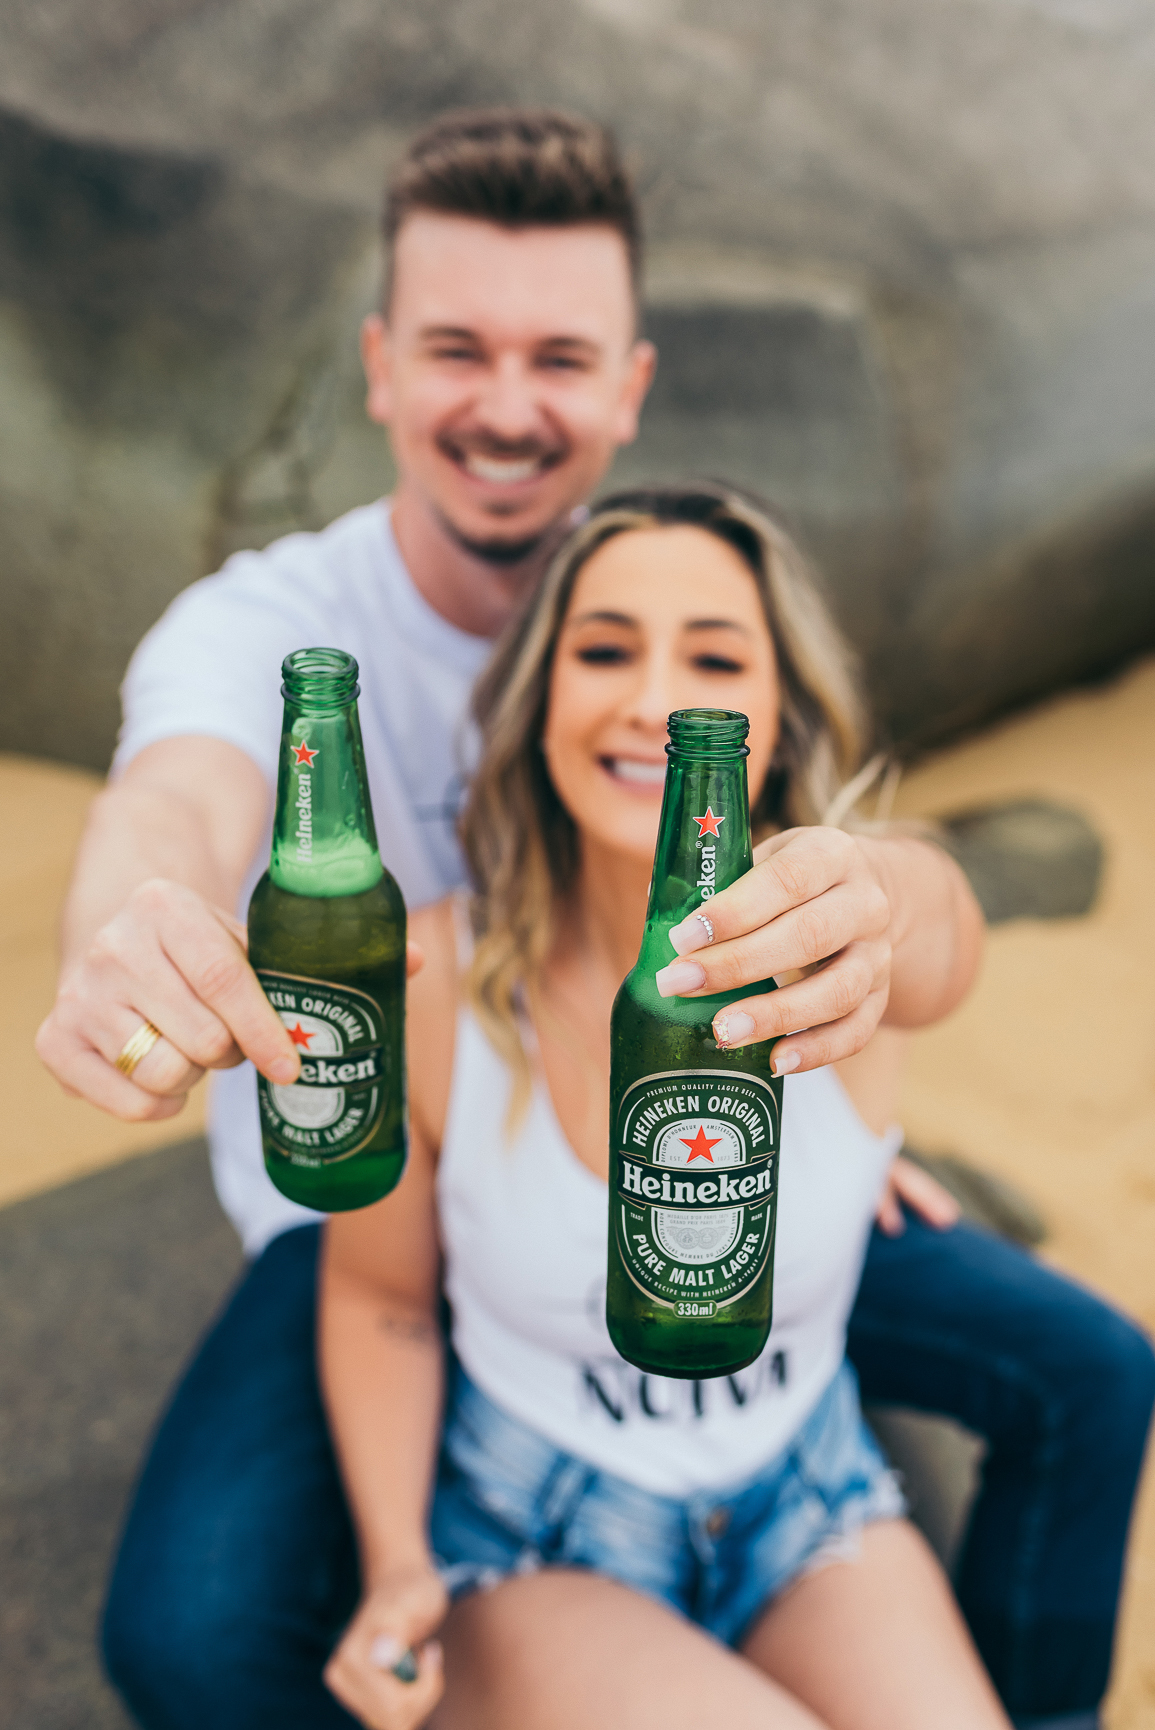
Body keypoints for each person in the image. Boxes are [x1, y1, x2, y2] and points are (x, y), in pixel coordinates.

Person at [33, 110, 1153, 1729]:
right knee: (194, 1633)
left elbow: (919, 904)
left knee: (1091, 1370)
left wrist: (865, 1005)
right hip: (385, 1183)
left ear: (629, 383)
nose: (504, 404)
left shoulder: (662, 586)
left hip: (757, 1373)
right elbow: (183, 799)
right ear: (378, 366)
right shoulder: (281, 628)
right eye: (455, 348)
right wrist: (131, 925)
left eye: (557, 355)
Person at [319, 484, 1008, 1730]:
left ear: (780, 713)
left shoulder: (838, 949)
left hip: (809, 1491)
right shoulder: (424, 982)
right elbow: (379, 1299)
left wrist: (884, 884)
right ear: (535, 703)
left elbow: (945, 935)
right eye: (603, 649)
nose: (655, 700)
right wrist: (393, 1561)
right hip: (540, 1530)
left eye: (714, 654)